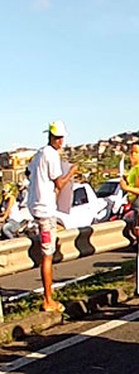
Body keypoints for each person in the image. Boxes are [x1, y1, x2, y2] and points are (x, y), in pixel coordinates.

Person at [27, 121, 77, 312]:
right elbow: (60, 184)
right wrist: (71, 171)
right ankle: (48, 300)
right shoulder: (52, 155)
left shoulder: (39, 153)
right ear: (53, 138)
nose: (61, 141)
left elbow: (29, 172)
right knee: (47, 256)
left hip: (36, 207)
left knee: (46, 252)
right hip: (45, 211)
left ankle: (48, 298)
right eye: (59, 138)